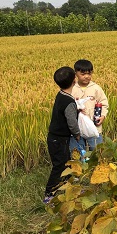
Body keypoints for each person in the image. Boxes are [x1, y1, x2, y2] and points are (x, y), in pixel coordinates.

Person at [44, 66, 81, 204]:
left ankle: (70, 189)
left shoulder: (61, 95)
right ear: (74, 80)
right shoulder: (69, 101)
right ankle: (49, 193)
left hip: (54, 137)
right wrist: (77, 134)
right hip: (60, 139)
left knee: (66, 163)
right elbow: (72, 122)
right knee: (59, 166)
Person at [70, 59, 108, 153]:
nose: (86, 76)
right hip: (77, 128)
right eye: (83, 74)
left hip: (94, 127)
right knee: (78, 152)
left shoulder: (96, 88)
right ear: (76, 73)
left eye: (89, 74)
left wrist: (103, 116)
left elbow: (104, 103)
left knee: (97, 151)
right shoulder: (72, 89)